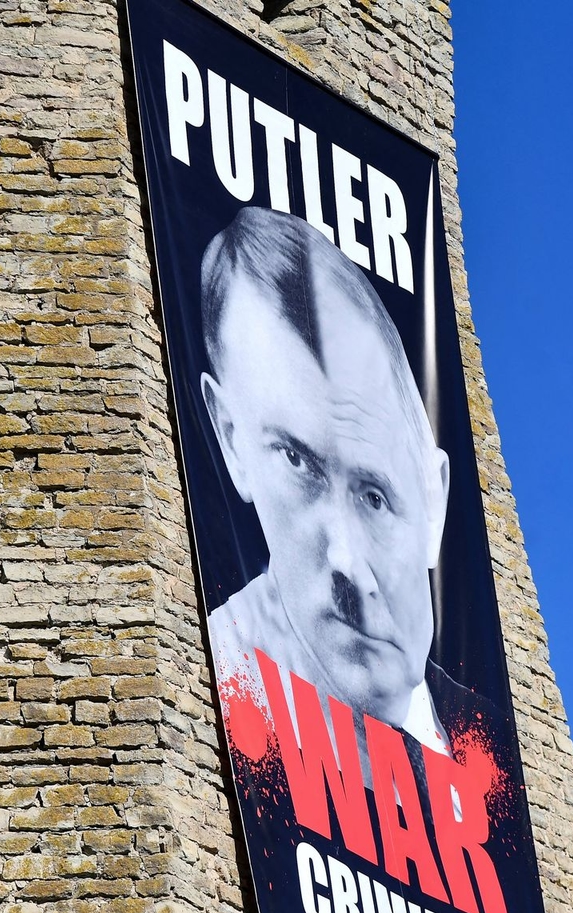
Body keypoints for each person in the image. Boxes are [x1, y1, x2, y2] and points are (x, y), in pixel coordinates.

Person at [199, 206, 468, 784]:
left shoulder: (495, 752)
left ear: (434, 503)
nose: (347, 561)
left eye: (374, 494)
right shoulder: (200, 684)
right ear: (231, 440)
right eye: (297, 461)